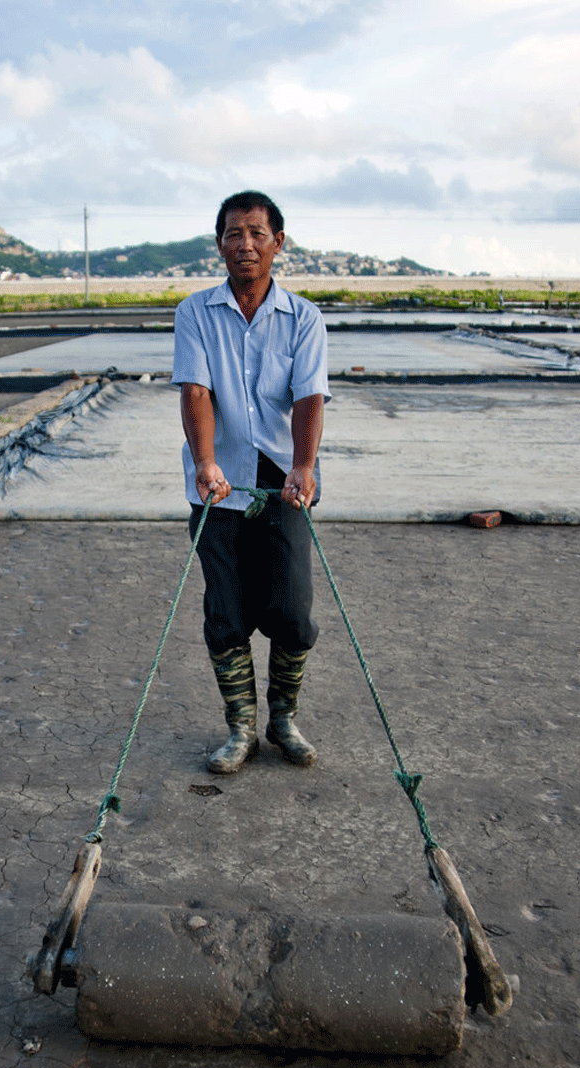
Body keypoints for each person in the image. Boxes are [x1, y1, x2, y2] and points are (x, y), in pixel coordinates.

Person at [172, 190, 330, 774]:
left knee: (293, 612)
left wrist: (304, 466)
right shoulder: (195, 313)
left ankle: (283, 719)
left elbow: (310, 398)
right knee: (226, 613)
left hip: (283, 479)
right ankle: (240, 729)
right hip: (218, 480)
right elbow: (196, 391)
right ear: (219, 244)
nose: (245, 244)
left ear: (277, 243)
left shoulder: (303, 318)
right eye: (234, 234)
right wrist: (204, 461)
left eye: (257, 233)